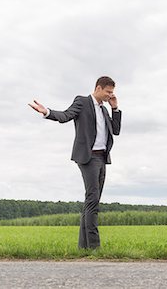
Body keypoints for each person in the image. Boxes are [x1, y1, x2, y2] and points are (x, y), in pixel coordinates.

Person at [28, 76, 122, 249]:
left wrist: (115, 108)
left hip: (102, 158)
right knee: (93, 200)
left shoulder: (104, 110)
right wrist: (47, 112)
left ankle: (83, 248)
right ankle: (94, 248)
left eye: (112, 92)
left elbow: (115, 131)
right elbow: (65, 115)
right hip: (88, 157)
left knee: (91, 201)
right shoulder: (82, 101)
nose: (111, 95)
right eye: (108, 92)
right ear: (99, 88)